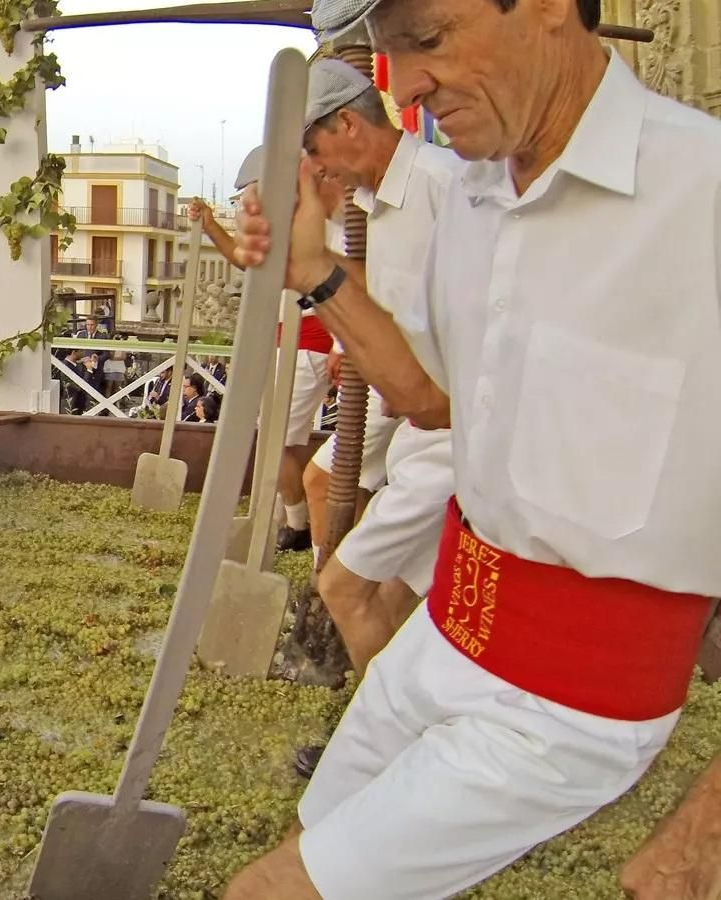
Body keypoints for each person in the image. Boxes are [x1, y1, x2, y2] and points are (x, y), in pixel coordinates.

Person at [224, 0, 721, 893]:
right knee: (319, 825)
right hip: (448, 634)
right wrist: (313, 275)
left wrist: (707, 832)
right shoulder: (471, 198)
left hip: (576, 700)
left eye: (429, 40)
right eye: (387, 58)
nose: (405, 86)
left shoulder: (705, 195)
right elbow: (428, 398)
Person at [287, 58, 463, 779]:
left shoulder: (442, 190)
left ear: (347, 127)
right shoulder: (386, 202)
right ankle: (397, 731)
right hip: (421, 435)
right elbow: (384, 304)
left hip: (454, 434)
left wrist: (319, 272)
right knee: (392, 596)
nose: (321, 171)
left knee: (344, 586)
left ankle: (393, 756)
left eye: (318, 154)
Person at [193, 149, 347, 552]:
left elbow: (346, 287)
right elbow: (247, 260)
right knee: (286, 442)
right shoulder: (297, 227)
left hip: (308, 343)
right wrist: (211, 226)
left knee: (273, 441)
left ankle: (298, 525)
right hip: (293, 342)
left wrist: (339, 345)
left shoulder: (330, 230)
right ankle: (287, 517)